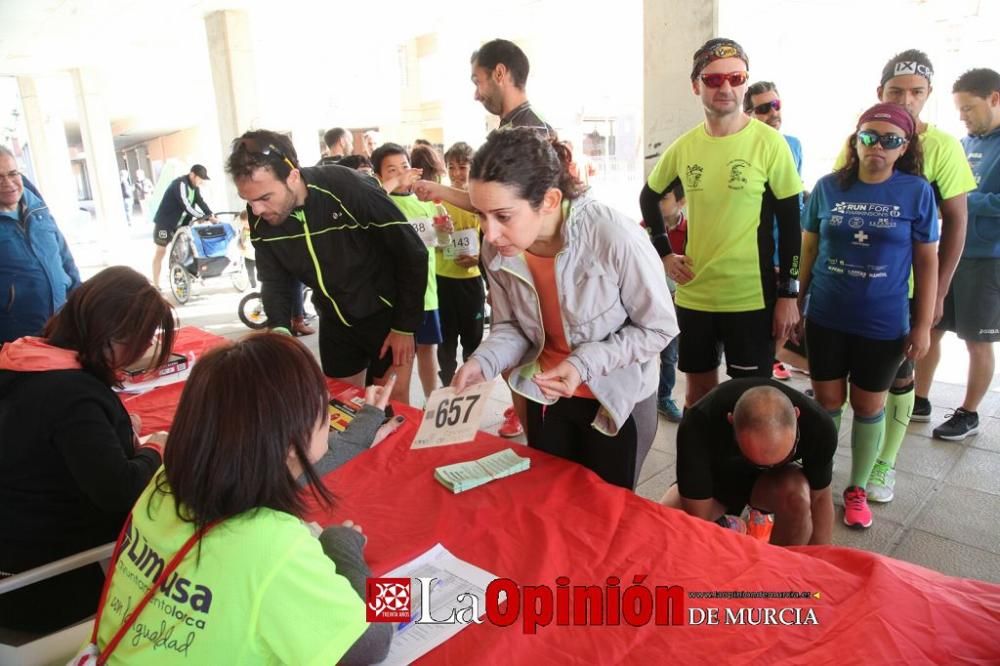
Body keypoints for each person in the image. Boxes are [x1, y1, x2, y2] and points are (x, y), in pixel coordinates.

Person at [89, 333, 393, 664]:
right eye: (322, 409)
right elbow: (371, 643)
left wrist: (366, 422)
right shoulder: (273, 545)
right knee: (416, 597)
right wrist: (343, 549)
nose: (330, 422)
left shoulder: (167, 481)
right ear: (290, 442)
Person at [452, 128, 677, 490]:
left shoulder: (612, 235)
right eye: (480, 215)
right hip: (548, 395)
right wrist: (484, 362)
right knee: (552, 506)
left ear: (550, 200)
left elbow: (659, 328)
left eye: (503, 216)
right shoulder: (497, 248)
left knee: (605, 517)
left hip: (615, 400)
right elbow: (511, 326)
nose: (490, 233)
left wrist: (582, 363)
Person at [0, 266, 174, 632]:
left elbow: (42, 442)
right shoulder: (74, 396)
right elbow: (120, 490)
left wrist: (116, 432)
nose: (144, 351)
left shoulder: (22, 359)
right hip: (47, 584)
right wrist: (155, 450)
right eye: (142, 341)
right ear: (112, 336)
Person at [639, 38, 803, 410]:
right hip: (697, 293)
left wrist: (789, 294)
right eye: (713, 80)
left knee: (751, 402)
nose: (725, 88)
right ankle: (704, 468)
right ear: (696, 85)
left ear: (745, 82)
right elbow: (649, 197)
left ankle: (743, 471)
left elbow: (793, 223)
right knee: (698, 396)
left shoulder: (769, 144)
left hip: (750, 295)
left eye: (735, 77)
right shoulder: (685, 146)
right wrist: (664, 253)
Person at [844, 49, 977, 501]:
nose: (907, 99)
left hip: (907, 291)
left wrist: (937, 291)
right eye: (896, 90)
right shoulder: (864, 135)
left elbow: (957, 221)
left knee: (901, 376)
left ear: (928, 95)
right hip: (857, 287)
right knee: (859, 385)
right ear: (879, 92)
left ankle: (886, 463)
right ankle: (858, 459)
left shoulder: (942, 147)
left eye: (916, 92)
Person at [801, 103, 938, 527]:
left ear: (904, 147)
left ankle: (857, 487)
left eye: (890, 139)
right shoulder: (827, 188)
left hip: (882, 323)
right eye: (868, 137)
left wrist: (922, 324)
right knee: (826, 402)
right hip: (825, 316)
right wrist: (795, 300)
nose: (877, 146)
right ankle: (817, 481)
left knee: (867, 404)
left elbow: (927, 263)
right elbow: (808, 249)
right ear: (854, 140)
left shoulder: (916, 192)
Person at [226, 129, 427, 400]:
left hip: (385, 314)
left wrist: (405, 326)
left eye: (264, 198)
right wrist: (280, 327)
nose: (257, 210)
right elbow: (274, 278)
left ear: (293, 176)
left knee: (389, 405)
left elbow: (412, 252)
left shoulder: (348, 188)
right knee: (342, 408)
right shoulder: (260, 214)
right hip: (334, 320)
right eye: (249, 201)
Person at [914, 69, 1000, 441]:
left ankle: (969, 412)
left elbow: (962, 200)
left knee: (976, 337)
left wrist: (963, 202)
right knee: (931, 326)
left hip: (987, 256)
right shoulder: (963, 144)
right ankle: (919, 398)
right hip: (949, 250)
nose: (963, 116)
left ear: (994, 98)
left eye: (969, 108)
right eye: (959, 110)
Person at [662, 379, 837, 546]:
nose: (766, 466)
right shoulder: (698, 423)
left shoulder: (819, 426)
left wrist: (819, 563)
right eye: (757, 459)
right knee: (669, 523)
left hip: (773, 485)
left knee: (798, 498)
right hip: (719, 478)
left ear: (797, 415)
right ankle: (727, 524)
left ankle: (778, 568)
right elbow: (698, 517)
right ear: (730, 422)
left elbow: (820, 498)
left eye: (783, 456)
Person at [372, 142, 449, 401]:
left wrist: (444, 231)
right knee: (402, 361)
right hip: (400, 301)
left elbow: (441, 244)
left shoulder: (426, 203)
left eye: (404, 166)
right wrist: (396, 182)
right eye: (391, 170)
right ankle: (402, 414)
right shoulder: (382, 204)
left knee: (429, 351)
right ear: (380, 177)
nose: (401, 173)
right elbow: (373, 199)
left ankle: (433, 402)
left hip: (428, 294)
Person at [743, 80, 805, 381]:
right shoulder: (745, 149)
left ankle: (771, 362)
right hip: (759, 256)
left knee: (788, 319)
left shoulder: (793, 144)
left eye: (776, 105)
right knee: (765, 327)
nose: (773, 113)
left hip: (792, 248)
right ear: (749, 114)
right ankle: (766, 367)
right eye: (765, 108)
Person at [0, 146, 81, 344]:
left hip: (61, 324)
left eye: (12, 174)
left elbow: (64, 257)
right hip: (17, 337)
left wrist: (80, 299)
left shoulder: (38, 207)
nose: (8, 183)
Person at [436, 141, 485, 386]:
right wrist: (440, 234)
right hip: (443, 281)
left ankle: (471, 389)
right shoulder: (437, 201)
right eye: (451, 167)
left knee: (473, 341)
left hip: (472, 281)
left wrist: (478, 259)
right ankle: (446, 388)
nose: (456, 173)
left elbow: (491, 241)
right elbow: (428, 241)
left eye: (463, 166)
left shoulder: (481, 202)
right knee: (445, 341)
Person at [472, 38, 555, 138]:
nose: (476, 96)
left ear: (499, 73)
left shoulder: (530, 136)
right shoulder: (522, 127)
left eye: (477, 82)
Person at [151, 164, 215, 290]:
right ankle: (155, 284)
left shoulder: (195, 188)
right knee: (161, 251)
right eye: (200, 178)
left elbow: (200, 202)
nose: (201, 181)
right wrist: (204, 217)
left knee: (182, 252)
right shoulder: (180, 184)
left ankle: (182, 280)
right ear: (192, 175)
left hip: (180, 224)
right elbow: (186, 205)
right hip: (165, 224)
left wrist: (210, 215)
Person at [656, 183, 686, 423]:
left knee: (670, 355)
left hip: (678, 303)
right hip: (650, 302)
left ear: (681, 202)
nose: (657, 205)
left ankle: (664, 397)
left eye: (663, 199)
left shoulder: (693, 231)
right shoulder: (643, 230)